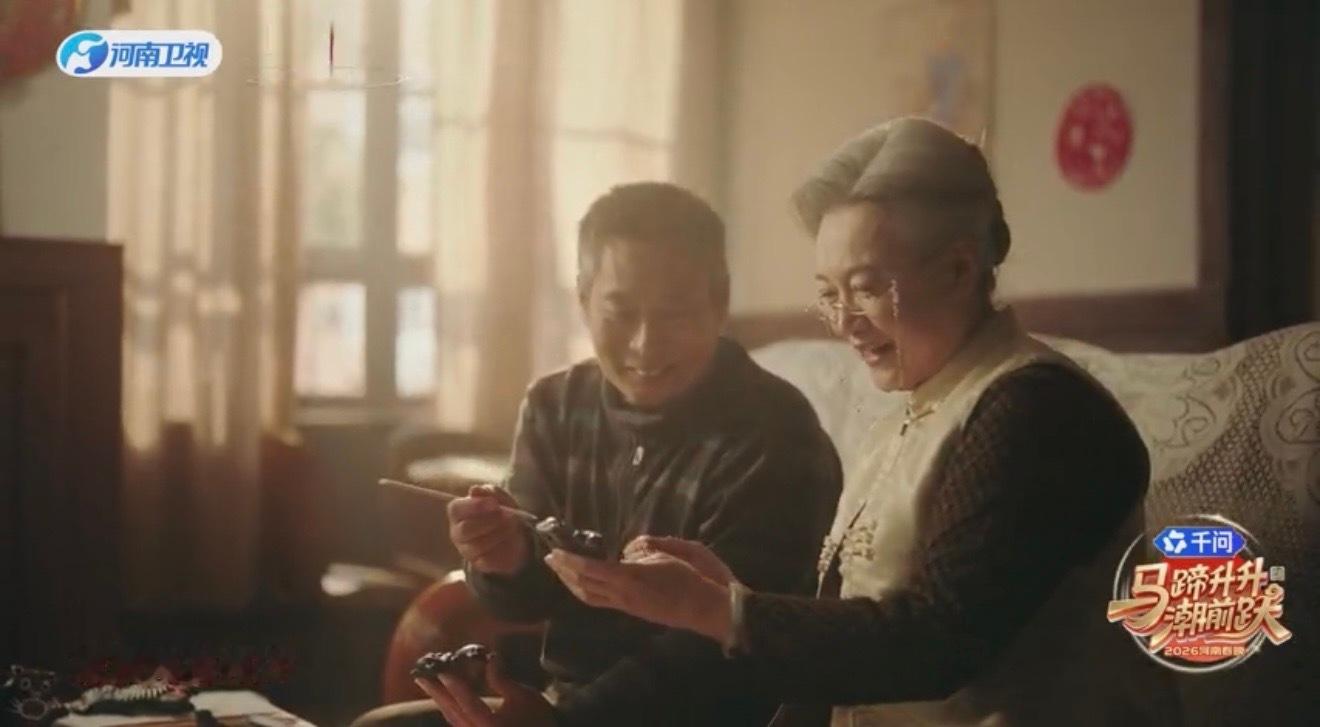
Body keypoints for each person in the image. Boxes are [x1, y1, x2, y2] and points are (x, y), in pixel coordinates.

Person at [536, 118, 1180, 725]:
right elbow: (856, 627)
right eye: (829, 294)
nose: (845, 322)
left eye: (868, 287)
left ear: (959, 269)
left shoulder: (1037, 411)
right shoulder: (915, 410)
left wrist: (717, 610)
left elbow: (938, 639)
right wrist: (727, 594)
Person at [354, 182, 842, 726]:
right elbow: (522, 601)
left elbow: (729, 646)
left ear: (719, 302)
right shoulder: (556, 406)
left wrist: (564, 724)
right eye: (621, 313)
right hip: (569, 705)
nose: (645, 344)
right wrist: (503, 560)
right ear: (583, 299)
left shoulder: (775, 433)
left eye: (674, 314)